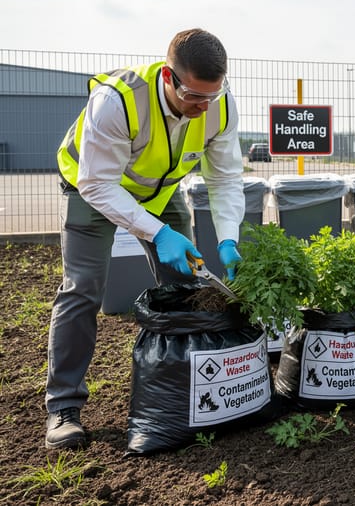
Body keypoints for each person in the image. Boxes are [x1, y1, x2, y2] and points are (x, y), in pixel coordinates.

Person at [46, 28, 245, 449]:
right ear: (170, 78)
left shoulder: (218, 104)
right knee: (83, 289)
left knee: (188, 286)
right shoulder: (118, 101)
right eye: (194, 96)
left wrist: (228, 238)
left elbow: (225, 178)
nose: (203, 106)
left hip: (161, 191)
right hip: (92, 188)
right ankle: (64, 407)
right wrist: (158, 232)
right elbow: (97, 184)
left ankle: (190, 387)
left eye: (211, 95)